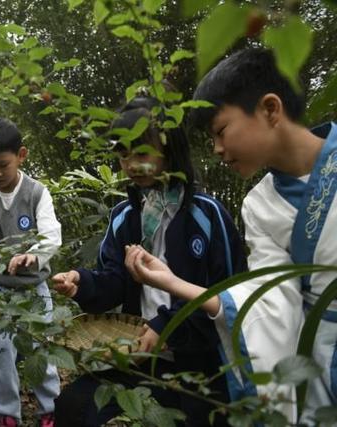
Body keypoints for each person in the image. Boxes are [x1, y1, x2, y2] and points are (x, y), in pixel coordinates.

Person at [124, 48, 337, 424]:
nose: (219, 150)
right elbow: (270, 304)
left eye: (221, 131)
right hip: (319, 365)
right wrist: (173, 283)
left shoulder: (206, 212)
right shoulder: (260, 206)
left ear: (270, 109)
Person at [52, 96, 247, 426]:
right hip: (139, 356)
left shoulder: (207, 216)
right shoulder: (124, 217)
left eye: (141, 153)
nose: (130, 165)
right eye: (122, 155)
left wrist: (166, 326)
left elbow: (230, 294)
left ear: (170, 151)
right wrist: (81, 283)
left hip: (201, 365)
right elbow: (114, 280)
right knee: (74, 405)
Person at [0, 117, 60, 427]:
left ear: (21, 155)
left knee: (40, 346)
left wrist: (30, 257)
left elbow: (50, 236)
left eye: (2, 165)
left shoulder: (36, 192)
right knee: (1, 350)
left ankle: (50, 409)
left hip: (35, 287)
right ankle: (6, 414)